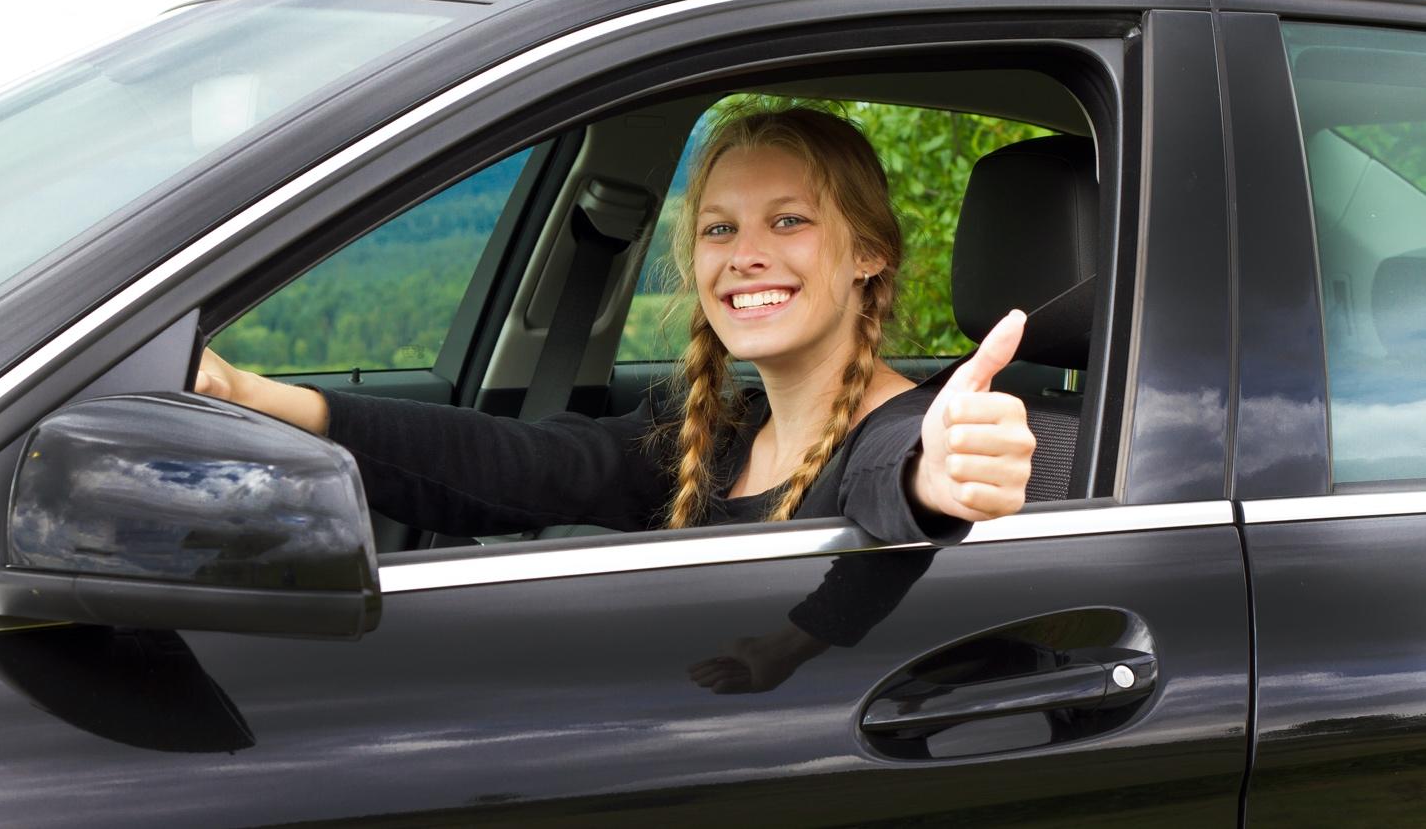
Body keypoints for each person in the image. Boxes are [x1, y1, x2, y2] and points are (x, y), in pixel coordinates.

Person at [196, 106, 1035, 545]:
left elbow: (893, 480)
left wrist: (939, 479)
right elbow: (513, 464)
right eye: (718, 228)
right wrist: (250, 394)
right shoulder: (709, 435)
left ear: (869, 254)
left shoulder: (900, 435)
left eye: (788, 222)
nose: (745, 255)